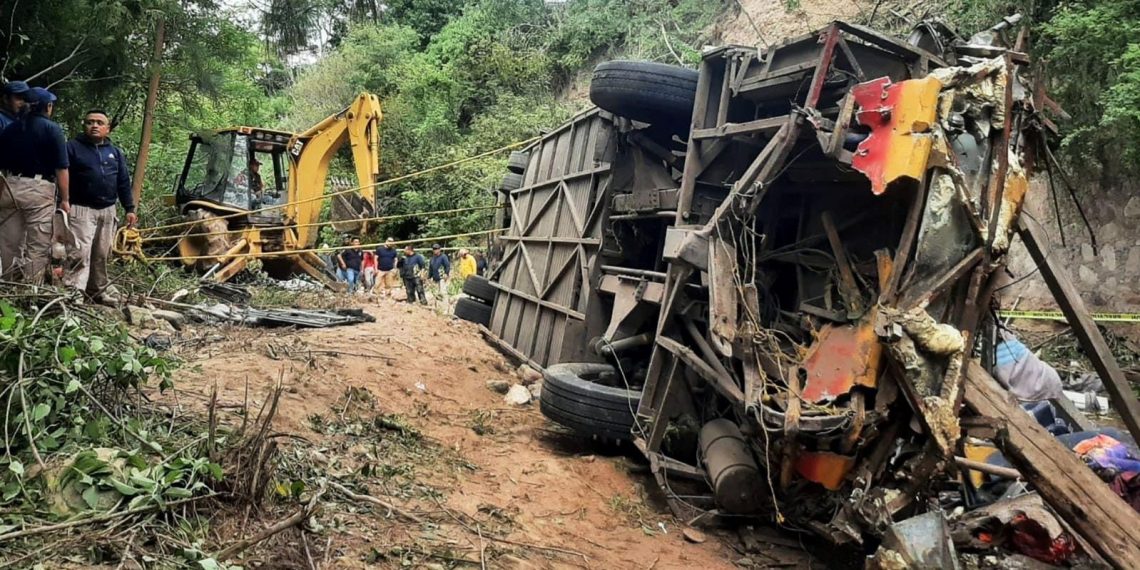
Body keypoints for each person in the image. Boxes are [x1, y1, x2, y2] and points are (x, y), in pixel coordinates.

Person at [64, 109, 135, 303]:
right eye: (90, 122)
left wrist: (129, 208)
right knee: (79, 252)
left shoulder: (114, 152)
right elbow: (61, 176)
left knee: (102, 253)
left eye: (99, 122)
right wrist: (62, 202)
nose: (94, 125)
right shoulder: (72, 147)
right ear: (84, 126)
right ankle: (73, 293)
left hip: (107, 210)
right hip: (80, 209)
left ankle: (97, 291)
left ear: (108, 128)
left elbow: (122, 181)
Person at [0, 87, 69, 284]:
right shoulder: (52, 129)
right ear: (48, 107)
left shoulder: (10, 129)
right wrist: (65, 199)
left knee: (8, 242)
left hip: (10, 186)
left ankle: (8, 285)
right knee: (37, 243)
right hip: (38, 190)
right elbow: (61, 168)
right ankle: (30, 288)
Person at [428, 243, 451, 311]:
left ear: (439, 249)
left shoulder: (443, 257)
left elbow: (447, 265)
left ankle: (445, 309)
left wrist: (446, 273)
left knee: (443, 292)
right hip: (435, 277)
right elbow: (430, 268)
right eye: (434, 249)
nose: (435, 250)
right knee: (436, 293)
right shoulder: (432, 258)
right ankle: (437, 307)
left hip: (442, 277)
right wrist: (429, 277)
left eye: (436, 249)